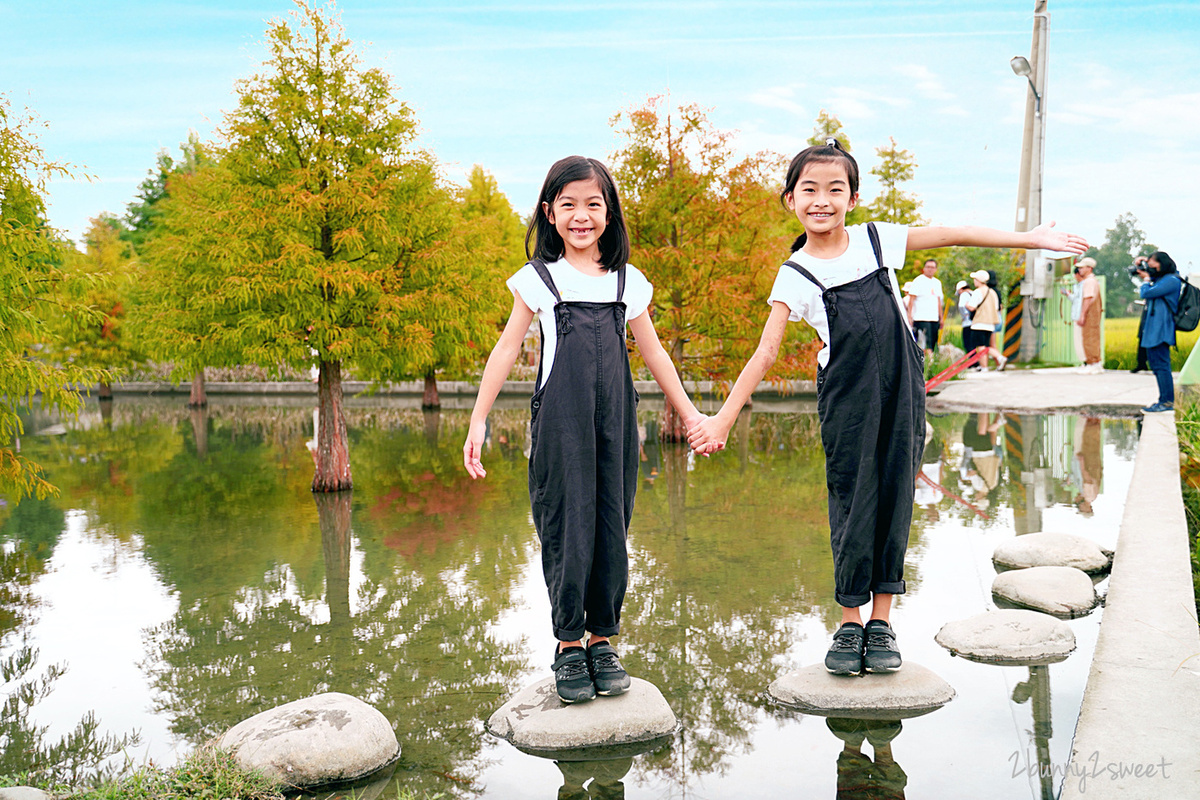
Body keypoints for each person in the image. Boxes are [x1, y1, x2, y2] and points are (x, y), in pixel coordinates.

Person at [686, 140, 1087, 676]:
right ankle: (849, 622)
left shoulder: (877, 241)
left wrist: (1028, 240)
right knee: (852, 501)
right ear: (790, 199)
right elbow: (765, 354)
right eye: (810, 189)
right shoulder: (796, 274)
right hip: (846, 398)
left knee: (897, 492)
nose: (822, 200)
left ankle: (882, 622)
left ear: (854, 197)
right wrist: (723, 418)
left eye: (835, 189)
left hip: (901, 389)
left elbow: (952, 234)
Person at [462, 156, 707, 703]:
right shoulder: (539, 280)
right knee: (567, 529)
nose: (581, 216)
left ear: (610, 212)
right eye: (568, 204)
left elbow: (656, 355)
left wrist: (690, 415)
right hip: (561, 428)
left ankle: (603, 639)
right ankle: (569, 644)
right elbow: (506, 349)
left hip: (616, 427)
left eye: (593, 204)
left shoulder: (627, 282)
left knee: (611, 530)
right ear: (549, 213)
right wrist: (478, 419)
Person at [1133, 251, 1181, 413]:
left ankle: (1167, 402)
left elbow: (1146, 292)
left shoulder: (1172, 281)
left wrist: (1146, 278)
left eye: (1153, 264)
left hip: (1162, 330)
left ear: (1163, 263)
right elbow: (1150, 282)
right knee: (1156, 365)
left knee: (1161, 366)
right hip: (1153, 330)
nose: (1151, 268)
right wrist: (1141, 263)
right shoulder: (1162, 280)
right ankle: (1163, 400)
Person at [965, 270, 1007, 371]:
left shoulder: (978, 292)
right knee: (985, 345)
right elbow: (997, 308)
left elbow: (971, 307)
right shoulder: (992, 292)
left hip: (979, 322)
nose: (974, 281)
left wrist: (966, 304)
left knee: (981, 346)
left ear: (979, 280)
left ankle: (990, 364)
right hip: (990, 324)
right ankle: (993, 361)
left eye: (975, 279)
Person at [908, 258, 944, 357]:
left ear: (936, 269)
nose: (930, 269)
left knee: (933, 343)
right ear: (924, 268)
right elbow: (911, 300)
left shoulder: (937, 283)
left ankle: (932, 362)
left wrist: (941, 318)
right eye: (928, 267)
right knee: (925, 343)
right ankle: (928, 363)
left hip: (934, 317)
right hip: (921, 317)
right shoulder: (918, 281)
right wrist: (909, 316)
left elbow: (938, 301)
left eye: (932, 267)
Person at [1075, 256, 1104, 373]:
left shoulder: (1089, 282)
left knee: (1088, 338)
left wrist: (1082, 315)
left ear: (1089, 268)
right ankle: (1096, 362)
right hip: (1095, 313)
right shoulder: (1094, 281)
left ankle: (1092, 363)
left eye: (1082, 268)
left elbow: (1087, 298)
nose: (1080, 270)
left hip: (1090, 314)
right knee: (1094, 337)